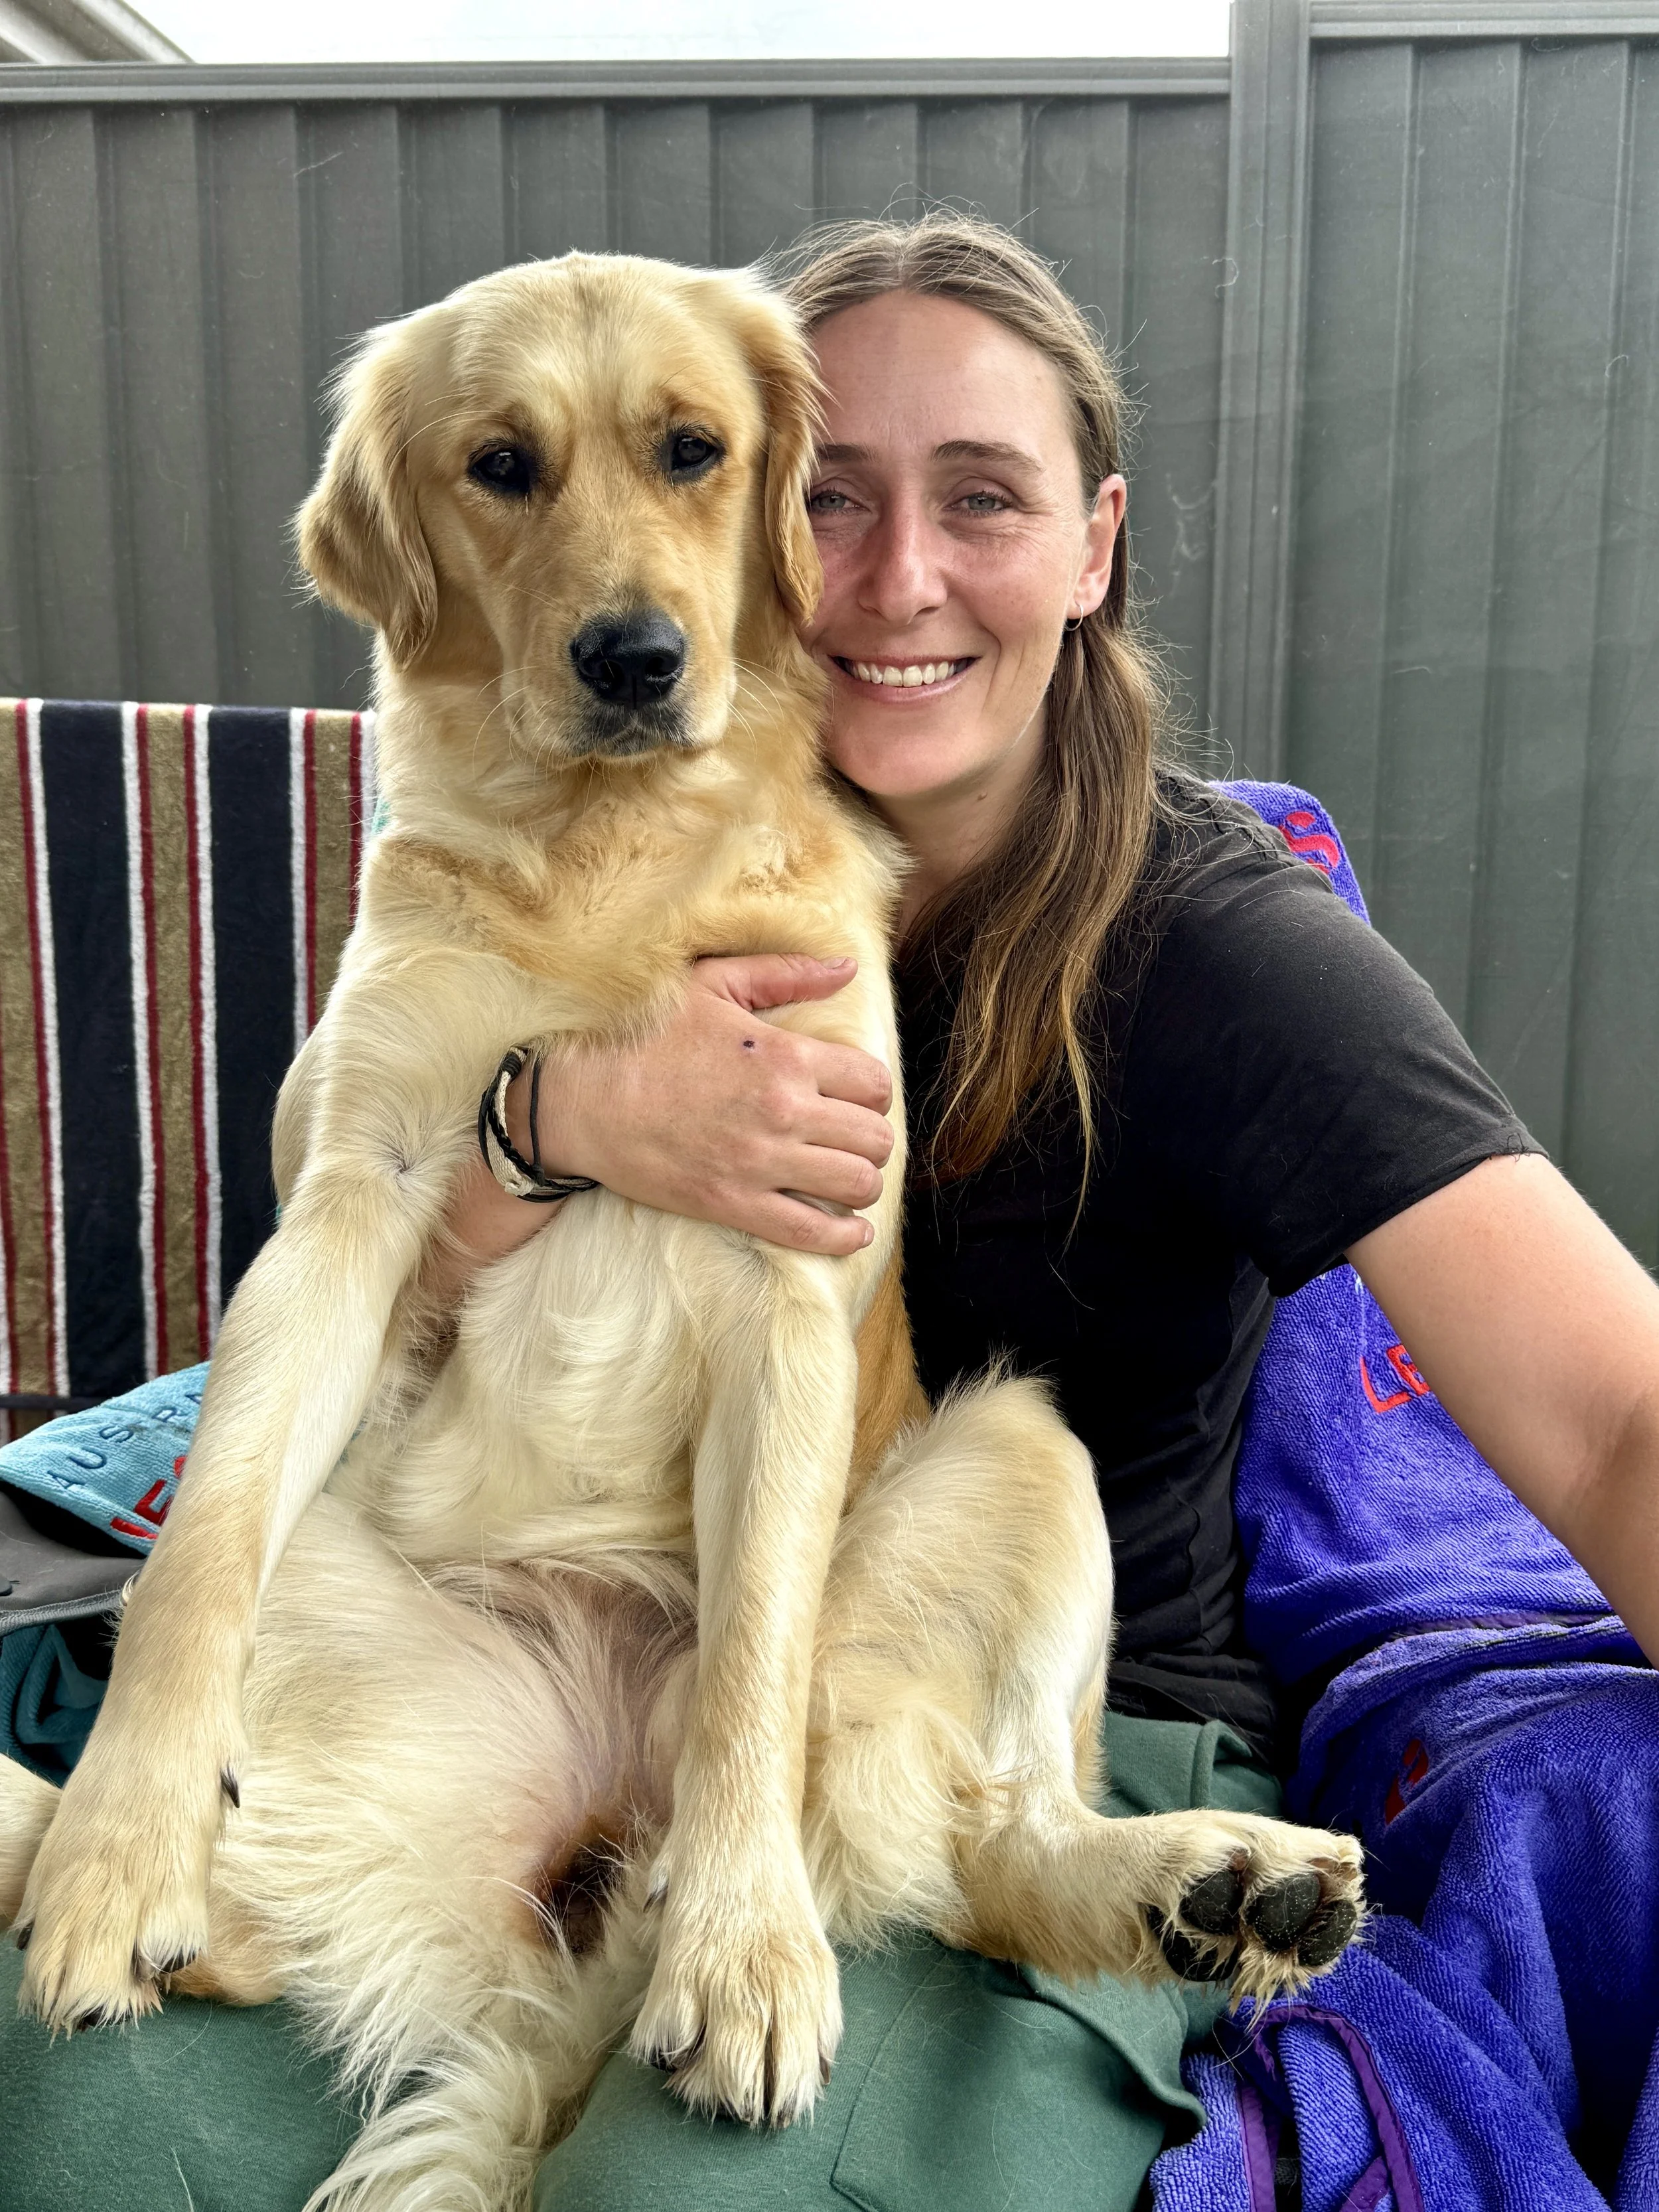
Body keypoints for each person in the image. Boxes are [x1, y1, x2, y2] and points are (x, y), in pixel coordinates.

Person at [5, 212, 1658, 2212]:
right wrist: (555, 1121)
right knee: (99, 2122)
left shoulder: (1224, 950)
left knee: (681, 2179)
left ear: (1093, 543)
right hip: (530, 1631)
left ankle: (1014, 1866)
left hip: (963, 1682)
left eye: (982, 499)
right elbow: (348, 1236)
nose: (886, 579)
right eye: (835, 496)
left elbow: (1607, 1420)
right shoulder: (571, 826)